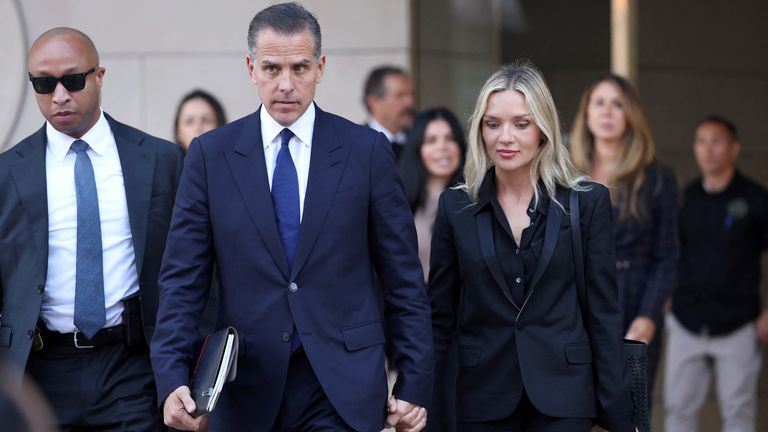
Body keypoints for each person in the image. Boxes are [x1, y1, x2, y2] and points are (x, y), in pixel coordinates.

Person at [150, 3, 433, 432]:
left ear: (320, 67)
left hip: (342, 385)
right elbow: (182, 278)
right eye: (271, 68)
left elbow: (403, 278)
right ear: (251, 68)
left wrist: (414, 380)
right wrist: (171, 376)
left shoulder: (366, 153)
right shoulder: (211, 156)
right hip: (246, 386)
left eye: (300, 68)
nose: (286, 84)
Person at [429, 61, 633, 431]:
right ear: (480, 131)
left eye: (521, 124)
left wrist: (617, 415)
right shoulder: (455, 207)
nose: (505, 137)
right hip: (481, 396)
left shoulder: (587, 203)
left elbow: (603, 315)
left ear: (543, 129)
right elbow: (439, 317)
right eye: (493, 124)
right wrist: (422, 400)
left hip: (566, 398)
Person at [0, 28, 183, 430]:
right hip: (41, 369)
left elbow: (191, 272)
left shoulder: (160, 160)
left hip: (130, 366)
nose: (60, 95)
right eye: (45, 84)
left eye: (73, 80)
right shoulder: (7, 172)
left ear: (99, 76)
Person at [570, 73, 679, 395]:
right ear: (586, 114)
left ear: (631, 115)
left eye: (617, 104)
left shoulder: (657, 178)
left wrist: (648, 316)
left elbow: (668, 256)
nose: (607, 112)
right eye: (599, 103)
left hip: (634, 301)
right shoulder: (565, 174)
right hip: (575, 304)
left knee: (628, 412)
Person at [664, 115, 768, 432]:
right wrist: (666, 299)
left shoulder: (756, 198)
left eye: (716, 140)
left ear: (734, 148)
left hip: (738, 324)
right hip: (686, 320)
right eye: (701, 141)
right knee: (678, 410)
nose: (708, 149)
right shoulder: (688, 197)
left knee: (737, 413)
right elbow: (669, 252)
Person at [399, 107, 466, 280]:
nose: (442, 147)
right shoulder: (400, 203)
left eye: (450, 138)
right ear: (418, 149)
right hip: (413, 303)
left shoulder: (476, 202)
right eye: (431, 140)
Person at [363, 65, 416, 161]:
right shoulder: (355, 144)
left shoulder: (421, 142)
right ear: (374, 101)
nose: (410, 102)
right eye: (400, 95)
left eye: (411, 95)